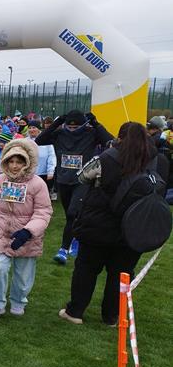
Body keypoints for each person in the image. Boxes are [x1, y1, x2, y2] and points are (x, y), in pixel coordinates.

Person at [60, 122, 170, 326]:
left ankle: (75, 311)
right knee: (121, 274)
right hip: (134, 228)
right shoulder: (157, 160)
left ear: (119, 138)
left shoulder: (107, 157)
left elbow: (83, 176)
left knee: (87, 269)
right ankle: (111, 316)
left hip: (98, 223)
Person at [0, 138, 53, 318]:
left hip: (27, 236)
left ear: (27, 162)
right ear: (5, 161)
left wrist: (28, 231)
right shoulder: (1, 180)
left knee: (23, 275)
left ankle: (18, 300)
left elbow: (43, 212)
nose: (15, 166)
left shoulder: (37, 184)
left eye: (19, 162)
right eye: (11, 161)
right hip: (3, 233)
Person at [35, 109, 112, 265]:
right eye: (69, 127)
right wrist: (57, 122)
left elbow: (109, 141)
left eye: (75, 127)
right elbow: (40, 139)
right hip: (63, 180)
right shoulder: (59, 134)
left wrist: (96, 124)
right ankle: (76, 237)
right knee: (71, 214)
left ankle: (63, 249)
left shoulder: (91, 134)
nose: (72, 129)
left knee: (72, 213)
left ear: (83, 124)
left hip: (82, 180)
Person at [27, 119, 57, 198]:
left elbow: (52, 156)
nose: (31, 130)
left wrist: (50, 171)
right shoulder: (25, 141)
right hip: (29, 173)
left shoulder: (47, 140)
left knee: (42, 196)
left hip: (43, 174)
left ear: (38, 129)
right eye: (29, 128)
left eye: (34, 127)